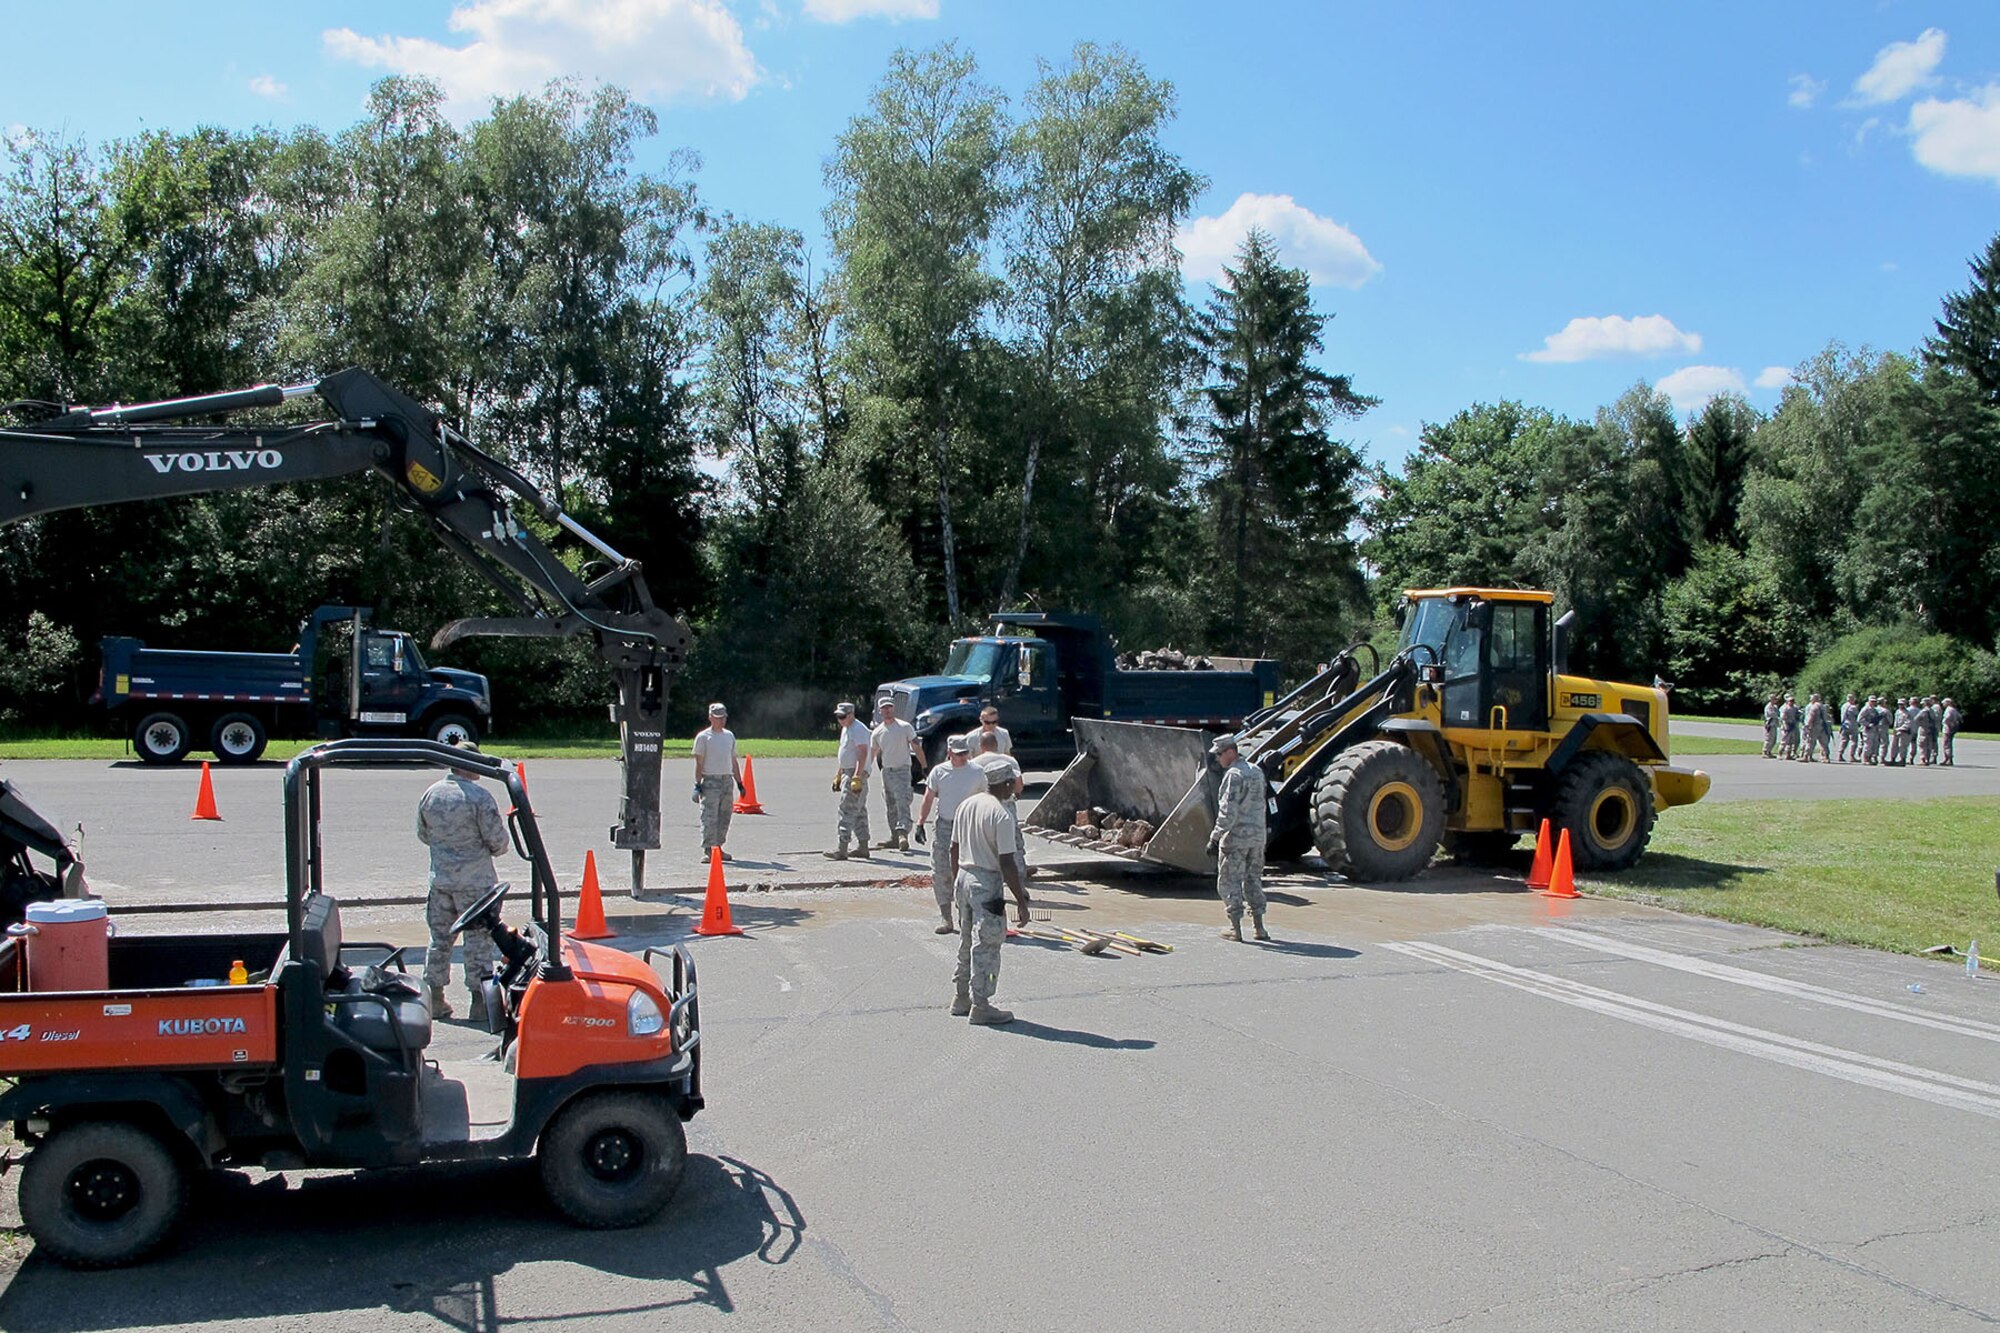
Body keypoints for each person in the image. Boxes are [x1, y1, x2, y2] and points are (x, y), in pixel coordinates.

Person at [417, 741, 508, 1019]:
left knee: (439, 940)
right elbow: (499, 842)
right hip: (476, 885)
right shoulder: (480, 797)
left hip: (441, 882)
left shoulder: (431, 794)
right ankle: (480, 1003)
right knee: (478, 942)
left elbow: (423, 834)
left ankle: (434, 997)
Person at [948, 752, 1032, 1025]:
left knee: (965, 940)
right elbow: (1007, 863)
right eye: (1012, 783)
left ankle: (961, 997)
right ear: (1006, 784)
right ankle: (981, 1004)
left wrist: (956, 882)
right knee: (988, 944)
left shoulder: (967, 805)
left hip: (963, 876)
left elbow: (953, 848)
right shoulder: (1001, 815)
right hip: (986, 882)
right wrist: (1020, 900)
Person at [913, 733, 987, 934]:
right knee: (942, 871)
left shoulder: (977, 772)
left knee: (969, 872)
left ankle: (966, 915)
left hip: (969, 826)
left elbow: (985, 799)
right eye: (958, 754)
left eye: (965, 753)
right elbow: (928, 798)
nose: (963, 757)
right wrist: (920, 823)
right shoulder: (939, 772)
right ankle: (946, 917)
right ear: (949, 753)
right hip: (946, 826)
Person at [1205, 734, 1269, 942]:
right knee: (1253, 880)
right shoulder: (1257, 771)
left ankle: (1235, 928)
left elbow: (1228, 812)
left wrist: (1215, 838)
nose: (1217, 759)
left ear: (1230, 752)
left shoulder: (1234, 775)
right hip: (1257, 838)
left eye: (1219, 755)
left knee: (1229, 881)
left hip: (1237, 838)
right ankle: (1259, 928)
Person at [692, 703, 744, 862]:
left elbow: (733, 761)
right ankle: (709, 850)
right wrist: (697, 784)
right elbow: (699, 763)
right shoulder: (703, 737)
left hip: (726, 780)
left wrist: (739, 782)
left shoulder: (729, 736)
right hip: (711, 780)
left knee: (724, 816)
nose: (722, 721)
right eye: (718, 718)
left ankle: (719, 847)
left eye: (724, 718)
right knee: (709, 817)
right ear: (710, 718)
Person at [825, 702, 873, 860]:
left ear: (852, 714)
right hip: (848, 771)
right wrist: (839, 774)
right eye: (838, 716)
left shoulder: (858, 729)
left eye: (843, 716)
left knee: (846, 809)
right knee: (858, 810)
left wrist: (857, 776)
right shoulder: (846, 729)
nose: (840, 719)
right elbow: (845, 753)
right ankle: (863, 847)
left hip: (854, 773)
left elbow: (862, 753)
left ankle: (842, 848)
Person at [871, 698, 919, 851]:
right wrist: (864, 770)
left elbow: (916, 746)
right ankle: (894, 837)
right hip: (887, 771)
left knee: (902, 802)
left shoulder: (905, 727)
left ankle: (903, 833)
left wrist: (924, 766)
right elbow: (873, 752)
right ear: (880, 711)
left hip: (902, 770)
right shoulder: (878, 732)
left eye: (890, 707)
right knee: (890, 804)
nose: (887, 710)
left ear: (894, 709)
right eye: (884, 708)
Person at [1803, 694, 1832, 764]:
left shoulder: (1814, 707)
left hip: (1815, 726)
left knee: (1810, 741)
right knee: (1824, 743)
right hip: (1823, 726)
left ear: (1814, 699)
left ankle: (1806, 756)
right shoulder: (1823, 706)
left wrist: (1807, 726)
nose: (1810, 700)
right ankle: (1826, 757)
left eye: (1811, 699)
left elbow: (1811, 717)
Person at [1838, 694, 1860, 763]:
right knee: (1853, 741)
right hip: (1852, 725)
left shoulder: (1843, 706)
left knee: (1844, 740)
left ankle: (1840, 754)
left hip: (1844, 724)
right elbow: (1857, 716)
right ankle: (1851, 756)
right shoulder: (1853, 707)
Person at [1778, 694, 1801, 761]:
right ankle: (1780, 754)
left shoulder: (1794, 708)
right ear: (1787, 701)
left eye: (1793, 701)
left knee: (1791, 742)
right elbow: (1783, 718)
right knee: (1784, 741)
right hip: (1786, 726)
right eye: (1790, 701)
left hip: (1792, 725)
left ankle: (1788, 755)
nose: (1792, 702)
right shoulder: (1785, 708)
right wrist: (1785, 726)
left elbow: (1797, 714)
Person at [1942, 697, 1962, 766]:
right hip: (1952, 729)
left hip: (1947, 729)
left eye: (1944, 703)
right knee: (1949, 743)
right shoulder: (1954, 710)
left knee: (1946, 744)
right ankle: (1948, 758)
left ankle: (1948, 759)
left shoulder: (1949, 710)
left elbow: (1947, 718)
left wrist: (1945, 722)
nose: (1943, 704)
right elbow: (1960, 717)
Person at [1761, 694, 1781, 759]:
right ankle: (1765, 751)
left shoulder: (1775, 706)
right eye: (1774, 699)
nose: (1776, 700)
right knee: (1768, 738)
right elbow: (1772, 714)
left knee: (1774, 739)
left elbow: (1778, 713)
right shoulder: (1768, 706)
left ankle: (1769, 751)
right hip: (1770, 724)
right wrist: (1778, 717)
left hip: (1774, 724)